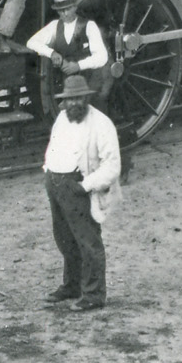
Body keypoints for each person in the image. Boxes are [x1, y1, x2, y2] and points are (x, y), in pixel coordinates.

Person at [42, 74, 122, 312]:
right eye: (70, 99)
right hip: (56, 184)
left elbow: (112, 166)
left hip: (79, 186)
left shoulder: (101, 124)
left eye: (79, 98)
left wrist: (85, 186)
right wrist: (47, 171)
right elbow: (54, 146)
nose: (74, 103)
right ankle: (72, 286)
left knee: (88, 242)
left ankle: (94, 294)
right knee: (65, 239)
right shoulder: (62, 118)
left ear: (87, 98)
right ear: (64, 101)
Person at [27, 0, 110, 101]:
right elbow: (31, 42)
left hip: (90, 84)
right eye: (61, 10)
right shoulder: (54, 26)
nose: (65, 13)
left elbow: (102, 57)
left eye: (68, 9)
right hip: (68, 86)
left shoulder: (89, 26)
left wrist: (78, 65)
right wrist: (51, 53)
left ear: (75, 7)